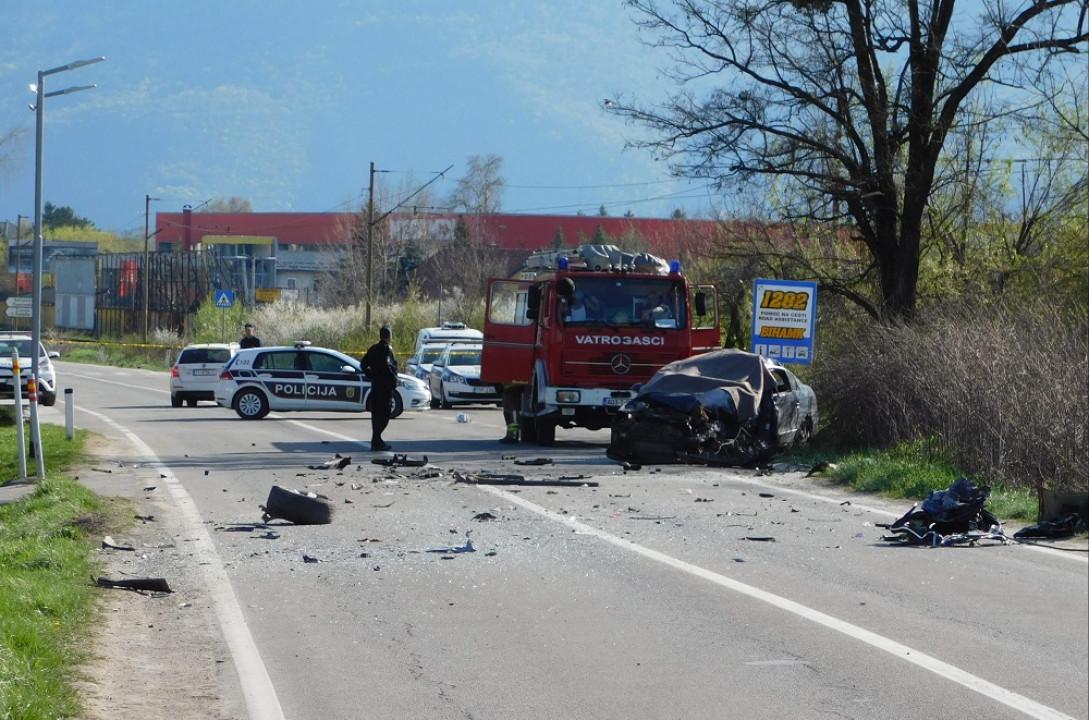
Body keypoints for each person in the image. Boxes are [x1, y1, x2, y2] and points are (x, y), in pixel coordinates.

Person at [362, 325, 398, 451]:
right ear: (389, 336)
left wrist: (371, 375)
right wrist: (394, 380)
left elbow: (363, 364)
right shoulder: (386, 349)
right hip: (384, 387)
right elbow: (388, 367)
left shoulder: (373, 348)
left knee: (376, 415)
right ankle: (376, 440)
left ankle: (376, 440)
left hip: (376, 386)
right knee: (384, 414)